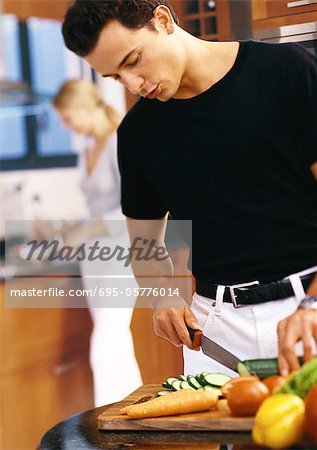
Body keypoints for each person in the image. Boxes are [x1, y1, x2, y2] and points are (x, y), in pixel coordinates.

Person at [61, 1, 317, 378]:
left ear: (162, 20)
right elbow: (144, 246)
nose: (134, 85)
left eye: (133, 61)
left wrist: (312, 303)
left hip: (307, 304)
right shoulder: (137, 134)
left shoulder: (285, 71)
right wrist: (161, 292)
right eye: (116, 77)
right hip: (216, 332)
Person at [53, 79, 142, 406]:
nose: (65, 125)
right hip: (94, 259)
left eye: (67, 117)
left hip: (122, 253)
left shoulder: (120, 140)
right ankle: (134, 420)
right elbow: (94, 209)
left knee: (105, 345)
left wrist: (85, 231)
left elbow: (134, 208)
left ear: (84, 107)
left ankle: (113, 425)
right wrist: (66, 231)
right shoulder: (88, 148)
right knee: (116, 345)